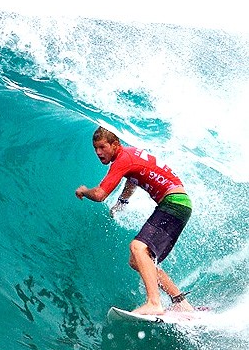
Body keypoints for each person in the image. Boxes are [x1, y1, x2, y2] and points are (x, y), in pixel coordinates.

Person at [75, 126, 194, 315]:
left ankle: (154, 303)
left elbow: (99, 195)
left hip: (173, 203)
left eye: (102, 147)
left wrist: (83, 190)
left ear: (115, 144)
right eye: (95, 148)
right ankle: (180, 302)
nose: (98, 152)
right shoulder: (130, 155)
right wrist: (122, 202)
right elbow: (133, 179)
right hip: (179, 204)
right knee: (137, 260)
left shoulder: (122, 160)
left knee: (138, 247)